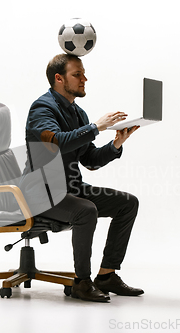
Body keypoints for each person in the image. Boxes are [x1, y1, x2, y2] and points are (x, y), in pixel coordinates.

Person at [23, 53, 143, 302]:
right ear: (59, 78)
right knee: (85, 210)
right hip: (40, 193)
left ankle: (107, 275)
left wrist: (116, 145)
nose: (84, 79)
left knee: (127, 203)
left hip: (70, 188)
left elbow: (90, 160)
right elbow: (55, 143)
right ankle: (81, 282)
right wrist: (95, 127)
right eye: (77, 74)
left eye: (83, 73)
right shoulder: (41, 109)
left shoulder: (79, 114)